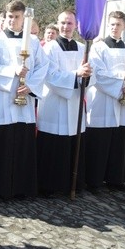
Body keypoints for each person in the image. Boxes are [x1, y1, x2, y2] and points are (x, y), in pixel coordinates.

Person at [0, 0, 48, 199]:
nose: (13, 21)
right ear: (5, 18)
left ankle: (21, 188)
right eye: (10, 17)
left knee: (22, 141)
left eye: (17, 17)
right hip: (2, 100)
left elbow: (43, 66)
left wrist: (30, 85)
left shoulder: (32, 41)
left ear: (24, 19)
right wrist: (12, 72)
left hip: (25, 99)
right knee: (1, 141)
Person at [85, 10, 125, 193]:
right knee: (99, 141)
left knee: (120, 139)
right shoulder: (98, 48)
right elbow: (98, 75)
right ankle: (93, 180)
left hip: (123, 104)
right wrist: (121, 81)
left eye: (118, 25)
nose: (115, 28)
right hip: (102, 101)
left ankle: (116, 179)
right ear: (107, 25)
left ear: (124, 27)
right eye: (112, 24)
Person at [37, 10, 91, 196]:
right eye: (62, 23)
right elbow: (49, 76)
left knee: (74, 143)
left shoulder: (83, 48)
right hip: (55, 103)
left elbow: (93, 75)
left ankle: (73, 182)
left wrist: (87, 77)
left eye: (69, 23)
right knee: (54, 145)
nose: (65, 27)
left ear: (75, 25)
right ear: (57, 24)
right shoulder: (50, 48)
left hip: (75, 103)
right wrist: (76, 75)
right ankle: (50, 185)